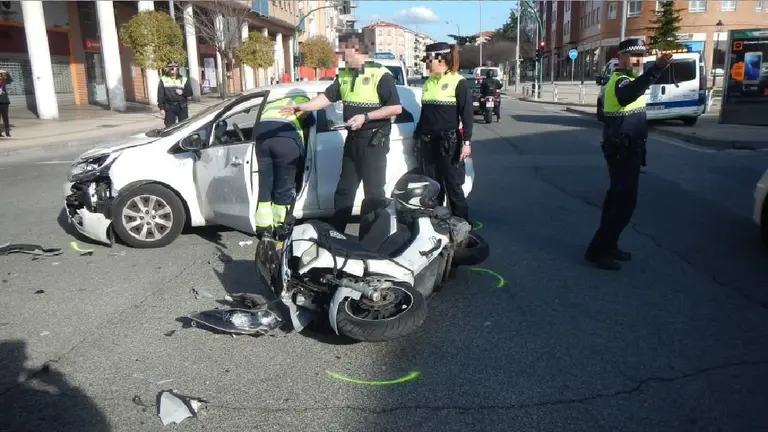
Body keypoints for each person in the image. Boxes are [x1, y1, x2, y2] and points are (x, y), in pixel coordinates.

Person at [279, 36, 402, 233]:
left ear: (358, 50)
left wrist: (365, 117)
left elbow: (395, 108)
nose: (341, 56)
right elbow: (326, 98)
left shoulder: (380, 74)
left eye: (345, 52)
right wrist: (302, 107)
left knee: (373, 194)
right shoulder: (345, 74)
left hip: (373, 141)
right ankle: (335, 234)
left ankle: (370, 238)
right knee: (345, 189)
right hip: (353, 140)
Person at [584, 38, 673, 270]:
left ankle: (609, 245)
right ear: (621, 57)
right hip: (621, 152)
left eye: (642, 56)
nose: (638, 60)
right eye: (634, 56)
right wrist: (656, 69)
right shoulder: (620, 81)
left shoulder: (630, 79)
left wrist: (656, 70)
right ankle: (597, 250)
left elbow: (637, 90)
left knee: (616, 200)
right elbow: (628, 94)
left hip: (628, 149)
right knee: (624, 204)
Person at [413, 42, 473, 222]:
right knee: (433, 185)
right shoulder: (428, 83)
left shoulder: (458, 82)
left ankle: (462, 224)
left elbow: (467, 115)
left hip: (449, 142)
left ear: (440, 59)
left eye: (428, 60)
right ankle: (438, 223)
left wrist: (466, 143)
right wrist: (416, 137)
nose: (426, 64)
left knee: (453, 186)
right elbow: (424, 115)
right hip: (428, 142)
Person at [253, 94, 313, 240]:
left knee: (265, 185)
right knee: (283, 187)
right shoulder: (302, 99)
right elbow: (310, 122)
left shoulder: (274, 101)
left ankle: (264, 229)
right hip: (285, 142)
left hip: (262, 141)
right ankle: (281, 228)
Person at [158, 61, 193, 127]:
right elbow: (160, 95)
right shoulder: (163, 79)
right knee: (169, 126)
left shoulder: (184, 79)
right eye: (170, 67)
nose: (172, 69)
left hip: (182, 106)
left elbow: (190, 93)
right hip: (169, 106)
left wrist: (182, 92)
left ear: (178, 69)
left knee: (183, 126)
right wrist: (161, 108)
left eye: (173, 67)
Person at [0, 69, 12, 138]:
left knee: (6, 118)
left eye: (1, 74)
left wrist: (7, 73)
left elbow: (10, 80)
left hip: (4, 102)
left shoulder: (3, 81)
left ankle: (7, 132)